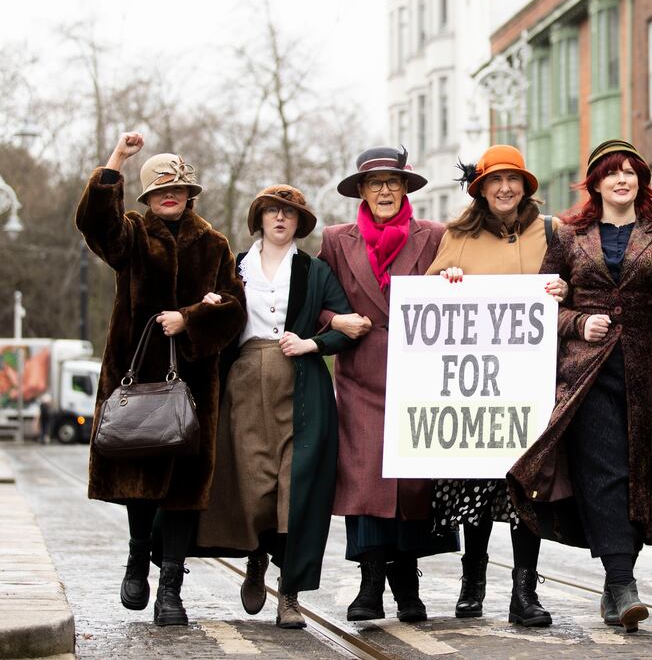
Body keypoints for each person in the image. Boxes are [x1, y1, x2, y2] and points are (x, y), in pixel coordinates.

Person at [507, 139, 652, 633]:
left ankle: (615, 583)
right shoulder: (569, 236)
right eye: (612, 173)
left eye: (631, 172)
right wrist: (577, 322)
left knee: (640, 471)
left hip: (648, 368)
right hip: (585, 371)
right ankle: (623, 581)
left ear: (642, 181)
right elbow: (543, 302)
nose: (622, 179)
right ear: (596, 183)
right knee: (602, 471)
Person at [75, 132, 246, 626]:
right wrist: (116, 161)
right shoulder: (131, 234)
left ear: (189, 193)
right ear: (147, 197)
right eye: (159, 190)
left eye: (177, 188)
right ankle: (136, 558)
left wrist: (190, 318)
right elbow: (95, 222)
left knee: (183, 489)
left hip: (194, 384)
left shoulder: (214, 243)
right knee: (138, 476)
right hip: (134, 377)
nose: (169, 195)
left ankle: (170, 586)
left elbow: (234, 310)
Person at [195, 185, 366, 628]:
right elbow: (211, 321)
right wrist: (210, 305)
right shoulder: (233, 267)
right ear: (259, 218)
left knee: (298, 491)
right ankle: (255, 558)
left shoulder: (314, 269)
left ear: (298, 222)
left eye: (288, 213)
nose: (279, 219)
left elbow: (348, 325)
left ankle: (289, 593)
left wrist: (312, 341)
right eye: (271, 211)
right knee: (254, 489)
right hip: (246, 384)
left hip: (303, 387)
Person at [426, 145, 567, 626]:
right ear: (481, 188)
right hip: (476, 390)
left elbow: (576, 285)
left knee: (528, 488)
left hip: (534, 383)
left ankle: (524, 591)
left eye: (513, 179)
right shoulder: (457, 235)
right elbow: (426, 299)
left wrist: (563, 290)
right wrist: (445, 278)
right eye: (495, 180)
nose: (504, 188)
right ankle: (473, 578)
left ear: (526, 186)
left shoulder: (553, 231)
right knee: (476, 491)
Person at [318, 146, 459, 623]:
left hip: (418, 375)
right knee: (364, 479)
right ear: (361, 190)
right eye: (373, 183)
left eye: (392, 182)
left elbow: (457, 294)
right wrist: (338, 318)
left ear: (405, 188)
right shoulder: (337, 240)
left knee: (412, 483)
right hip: (360, 375)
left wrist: (455, 277)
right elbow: (316, 300)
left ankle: (407, 580)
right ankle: (370, 579)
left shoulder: (435, 236)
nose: (383, 190)